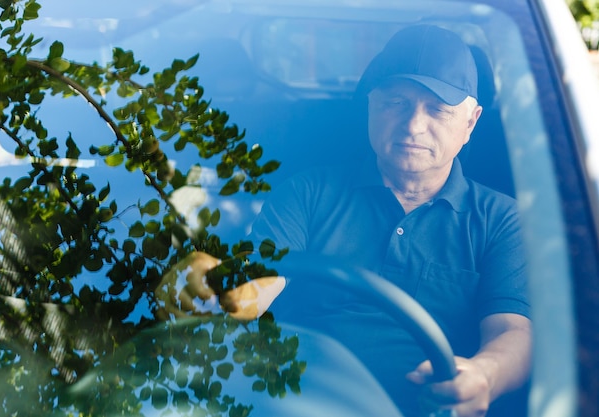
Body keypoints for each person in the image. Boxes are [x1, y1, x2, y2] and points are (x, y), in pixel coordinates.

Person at [156, 24, 531, 417]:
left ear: (470, 123)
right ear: (371, 107)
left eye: (437, 109)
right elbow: (257, 278)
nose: (413, 126)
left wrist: (483, 376)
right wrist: (216, 287)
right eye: (396, 103)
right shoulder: (307, 193)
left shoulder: (502, 220)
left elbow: (512, 331)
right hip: (291, 402)